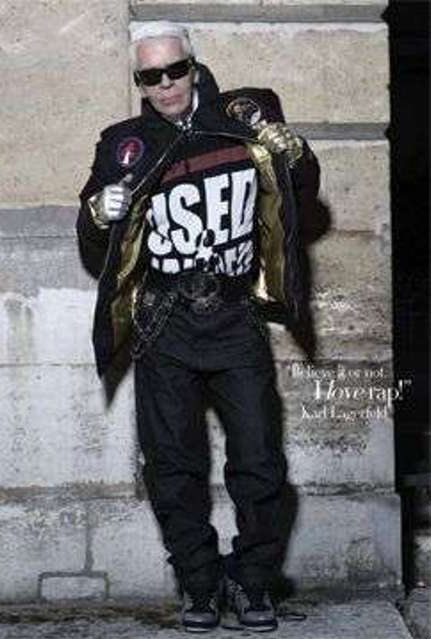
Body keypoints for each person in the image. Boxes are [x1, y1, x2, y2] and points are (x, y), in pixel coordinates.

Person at [77, 21, 319, 633]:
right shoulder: (126, 144)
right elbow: (92, 241)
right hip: (164, 322)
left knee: (260, 462)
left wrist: (297, 155)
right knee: (172, 466)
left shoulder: (244, 119)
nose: (165, 85)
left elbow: (299, 195)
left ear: (194, 66)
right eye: (150, 76)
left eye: (174, 71)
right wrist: (97, 214)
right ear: (140, 82)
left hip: (235, 317)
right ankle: (200, 585)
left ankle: (252, 581)